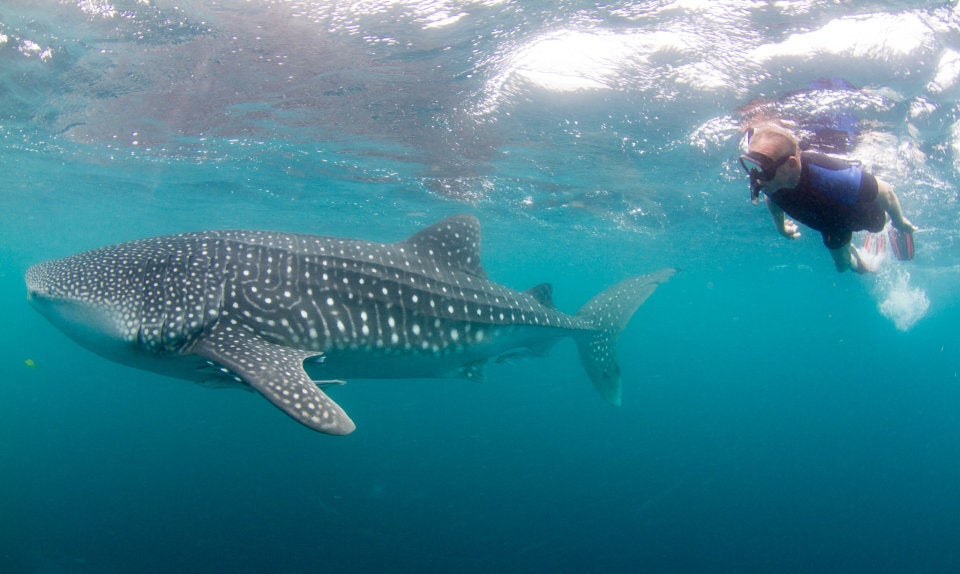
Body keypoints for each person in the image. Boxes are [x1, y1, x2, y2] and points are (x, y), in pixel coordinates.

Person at [740, 123, 916, 274]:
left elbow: (886, 191)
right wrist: (781, 227)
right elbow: (772, 199)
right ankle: (855, 255)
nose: (756, 178)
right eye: (752, 167)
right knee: (843, 267)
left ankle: (887, 224)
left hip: (854, 212)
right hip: (829, 225)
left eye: (763, 170)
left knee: (878, 225)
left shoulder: (829, 175)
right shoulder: (769, 180)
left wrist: (899, 221)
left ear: (791, 164)